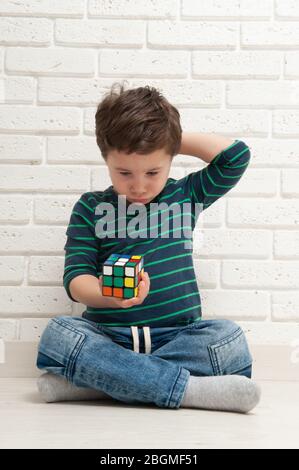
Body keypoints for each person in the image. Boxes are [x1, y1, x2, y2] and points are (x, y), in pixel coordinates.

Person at [36, 82, 261, 413]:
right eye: (124, 172)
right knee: (59, 336)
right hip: (110, 337)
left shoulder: (185, 197)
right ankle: (188, 390)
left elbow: (235, 157)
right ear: (106, 159)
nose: (139, 185)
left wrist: (167, 140)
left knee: (229, 340)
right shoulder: (90, 207)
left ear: (169, 160)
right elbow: (76, 280)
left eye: (153, 171)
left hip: (179, 340)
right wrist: (108, 296)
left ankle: (103, 384)